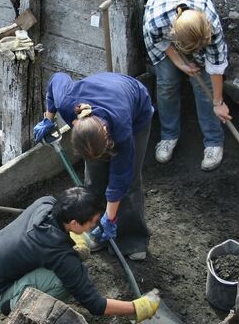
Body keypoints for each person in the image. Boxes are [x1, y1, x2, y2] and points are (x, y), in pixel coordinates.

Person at [0, 187, 160, 321]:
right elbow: (94, 304)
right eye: (93, 221)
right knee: (63, 282)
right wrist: (137, 308)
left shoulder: (45, 203)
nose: (96, 225)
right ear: (74, 223)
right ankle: (11, 305)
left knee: (83, 241)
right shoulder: (59, 254)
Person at [33, 72, 154, 261]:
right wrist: (48, 119)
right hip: (101, 99)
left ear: (106, 134)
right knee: (94, 178)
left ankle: (131, 240)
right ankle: (97, 229)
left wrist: (111, 218)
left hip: (135, 107)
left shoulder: (121, 128)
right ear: (75, 124)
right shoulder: (67, 103)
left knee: (129, 184)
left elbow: (120, 177)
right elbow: (57, 79)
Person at [143, 0, 232, 171]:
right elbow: (159, 41)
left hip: (191, 16)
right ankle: (168, 135)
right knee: (167, 82)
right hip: (164, 32)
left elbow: (215, 65)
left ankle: (214, 141)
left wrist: (218, 102)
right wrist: (179, 62)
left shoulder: (211, 26)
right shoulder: (157, 23)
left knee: (204, 86)